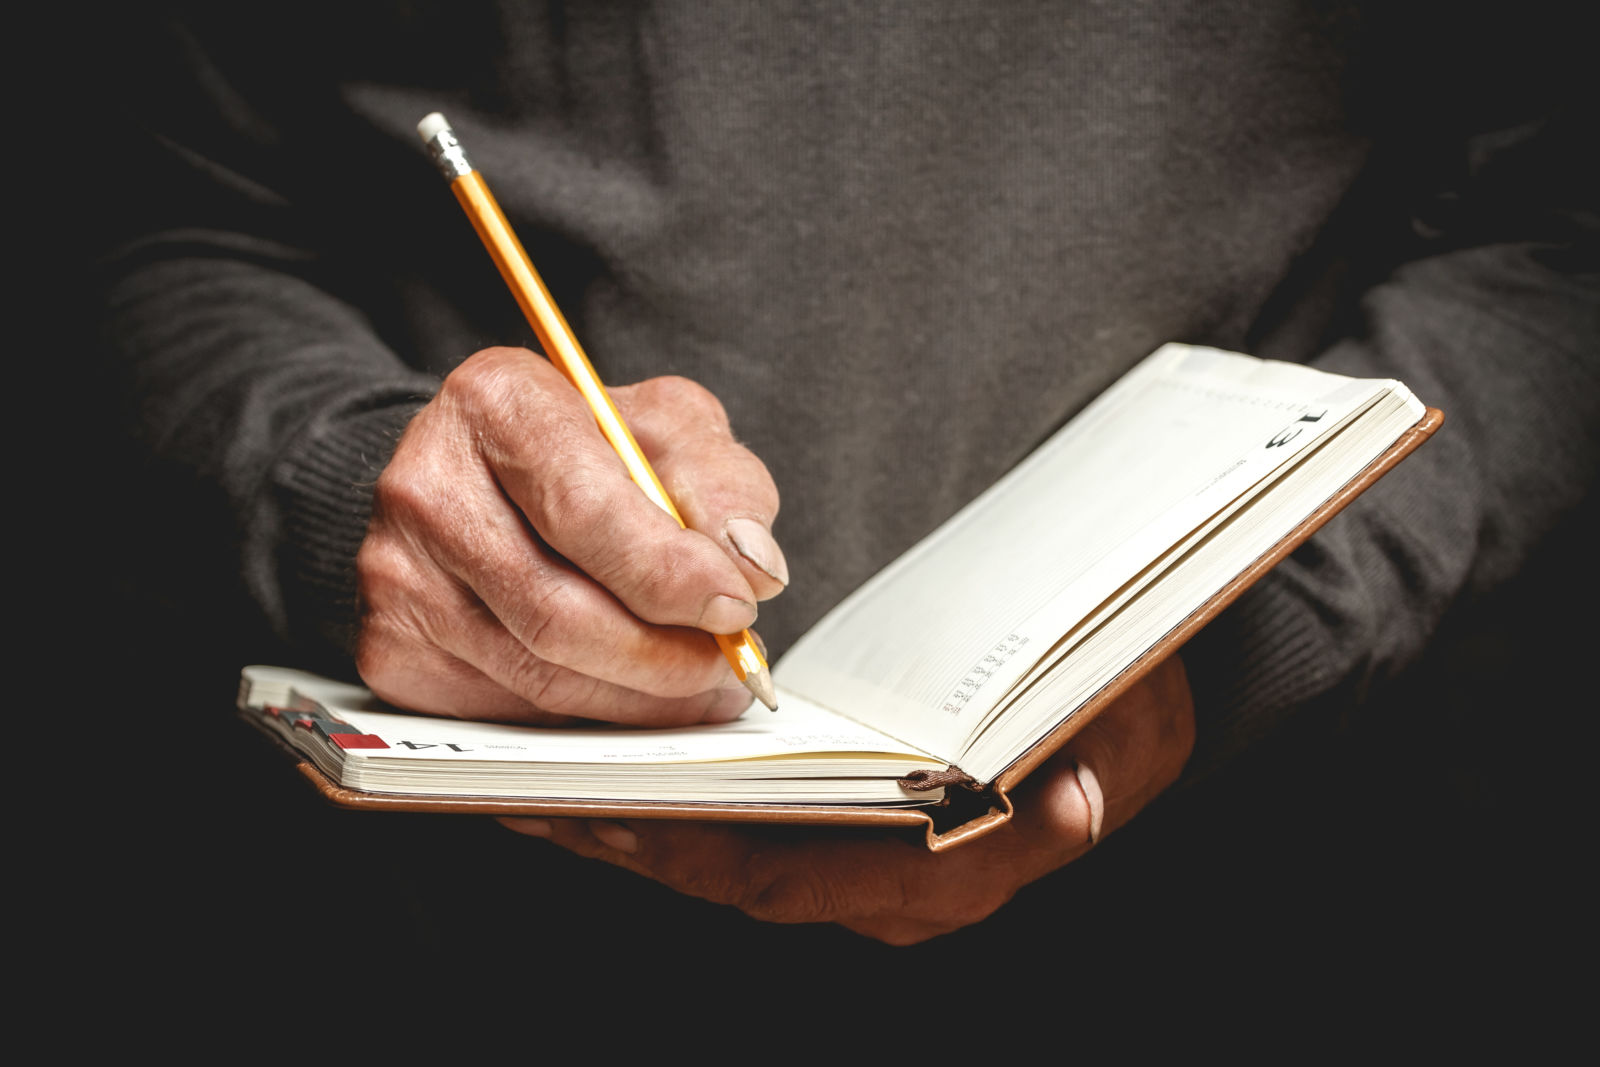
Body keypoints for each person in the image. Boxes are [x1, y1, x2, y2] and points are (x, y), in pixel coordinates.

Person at [73, 2, 1595, 965]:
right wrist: (344, 480)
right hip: (405, 949)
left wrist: (1255, 629)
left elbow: (1556, 234)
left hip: (1287, 921)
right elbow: (154, 212)